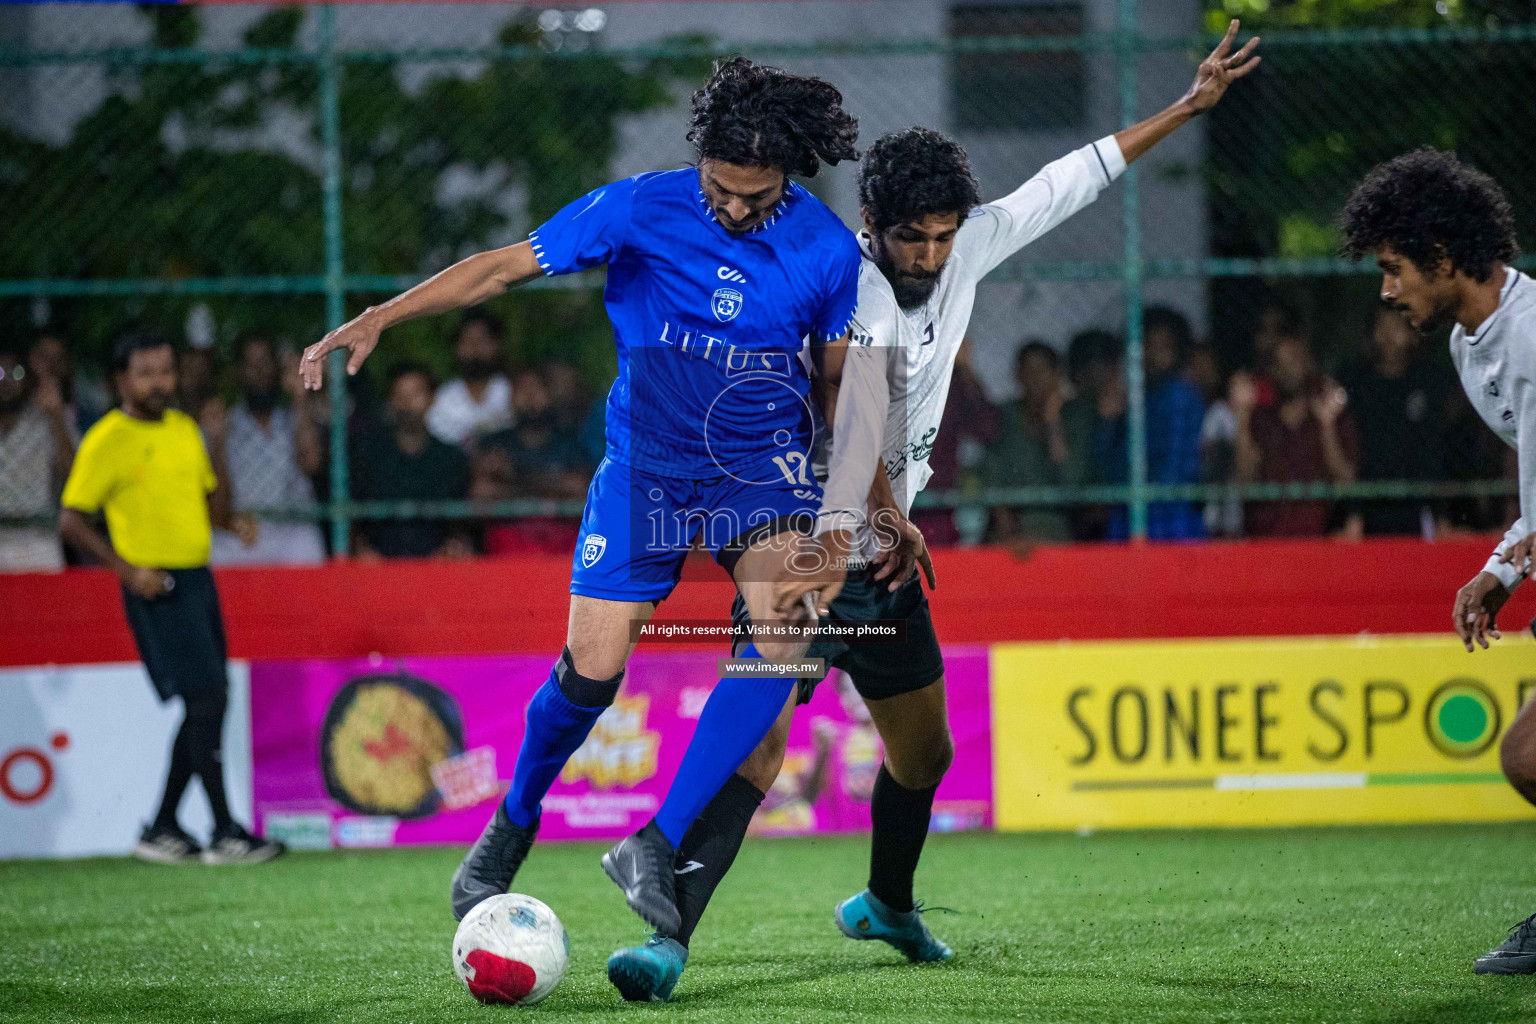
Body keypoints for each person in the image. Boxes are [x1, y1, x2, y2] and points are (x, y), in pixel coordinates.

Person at [603, 22, 1261, 1002]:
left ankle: (887, 904)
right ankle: (668, 941)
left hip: (884, 557)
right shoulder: (839, 282)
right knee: (761, 746)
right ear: (873, 223)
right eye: (911, 236)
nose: (929, 252)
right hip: (801, 547)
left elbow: (1069, 179)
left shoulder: (971, 240)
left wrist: (1186, 105)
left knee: (927, 751)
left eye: (943, 234)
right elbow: (854, 415)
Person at [300, 58, 863, 942]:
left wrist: (851, 507)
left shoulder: (826, 248)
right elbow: (498, 271)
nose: (738, 208)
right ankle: (511, 822)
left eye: (759, 195)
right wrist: (383, 315)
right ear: (700, 161)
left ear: (789, 175)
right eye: (723, 188)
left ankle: (656, 841)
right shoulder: (639, 207)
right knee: (592, 671)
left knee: (785, 636)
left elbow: (842, 389)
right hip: (645, 468)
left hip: (760, 469)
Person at [1343, 148, 1536, 974]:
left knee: (1527, 756)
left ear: (1446, 258)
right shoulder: (1471, 340)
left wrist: (1505, 564)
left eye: (1393, 269)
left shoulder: (1528, 340)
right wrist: (1501, 570)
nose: (1386, 290)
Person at [57, 330, 283, 865]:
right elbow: (71, 521)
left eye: (165, 371)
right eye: (146, 373)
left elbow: (209, 507)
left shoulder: (184, 429)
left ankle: (162, 826)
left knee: (209, 700)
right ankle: (225, 830)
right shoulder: (107, 438)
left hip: (199, 578)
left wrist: (230, 507)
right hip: (156, 585)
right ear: (121, 379)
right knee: (207, 700)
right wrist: (126, 570)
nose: (159, 383)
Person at [211, 334, 326, 565]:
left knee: (308, 545)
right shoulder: (226, 423)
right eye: (251, 364)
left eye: (265, 362)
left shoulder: (295, 417)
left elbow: (312, 464)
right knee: (213, 551)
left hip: (291, 530)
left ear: (276, 368)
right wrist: (217, 441)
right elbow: (215, 498)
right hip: (243, 528)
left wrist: (299, 398)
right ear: (238, 371)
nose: (259, 372)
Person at [1231, 330, 1357, 536]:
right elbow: (1244, 483)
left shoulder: (1330, 418)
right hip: (1265, 541)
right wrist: (1242, 416)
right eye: (1280, 362)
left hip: (1317, 542)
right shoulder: (1260, 420)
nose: (1289, 369)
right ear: (1271, 369)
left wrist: (1327, 427)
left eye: (1295, 360)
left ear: (1309, 364)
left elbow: (1346, 483)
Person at [1335, 307, 1447, 538]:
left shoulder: (1428, 382)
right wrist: (1354, 511)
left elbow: (1434, 452)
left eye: (1396, 327)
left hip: (1417, 503)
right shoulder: (1357, 383)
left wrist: (1439, 515)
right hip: (1367, 503)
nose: (1388, 335)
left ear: (1413, 335)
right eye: (1381, 327)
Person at [349, 363, 472, 560]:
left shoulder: (451, 458)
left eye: (415, 395)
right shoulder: (368, 455)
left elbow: (460, 524)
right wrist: (361, 549)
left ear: (432, 398)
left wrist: (452, 548)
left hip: (437, 567)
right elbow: (353, 515)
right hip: (378, 567)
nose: (407, 404)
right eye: (400, 396)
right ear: (390, 401)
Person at [474, 366, 592, 556]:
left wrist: (513, 478)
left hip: (560, 541)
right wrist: (552, 486)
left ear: (550, 396)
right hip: (508, 540)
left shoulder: (569, 442)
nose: (529, 397)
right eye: (522, 390)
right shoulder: (494, 442)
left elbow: (579, 489)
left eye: (537, 389)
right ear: (510, 397)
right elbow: (481, 492)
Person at [983, 340, 1089, 544]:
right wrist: (1009, 533)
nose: (1035, 379)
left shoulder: (1075, 417)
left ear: (1057, 376)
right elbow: (991, 476)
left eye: (1042, 371)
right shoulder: (1005, 416)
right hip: (1010, 533)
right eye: (1028, 371)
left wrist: (1052, 421)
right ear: (1018, 375)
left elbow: (1071, 480)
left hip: (1057, 529)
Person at [0, 346, 76, 571]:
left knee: (47, 604)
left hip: (39, 540)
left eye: (16, 373)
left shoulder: (47, 420)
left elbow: (75, 475)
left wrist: (56, 417)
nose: (6, 381)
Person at [426, 308, 514, 447]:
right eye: (468, 340)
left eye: (482, 340)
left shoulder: (514, 392)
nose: (475, 348)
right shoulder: (442, 399)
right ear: (457, 348)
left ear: (496, 345)